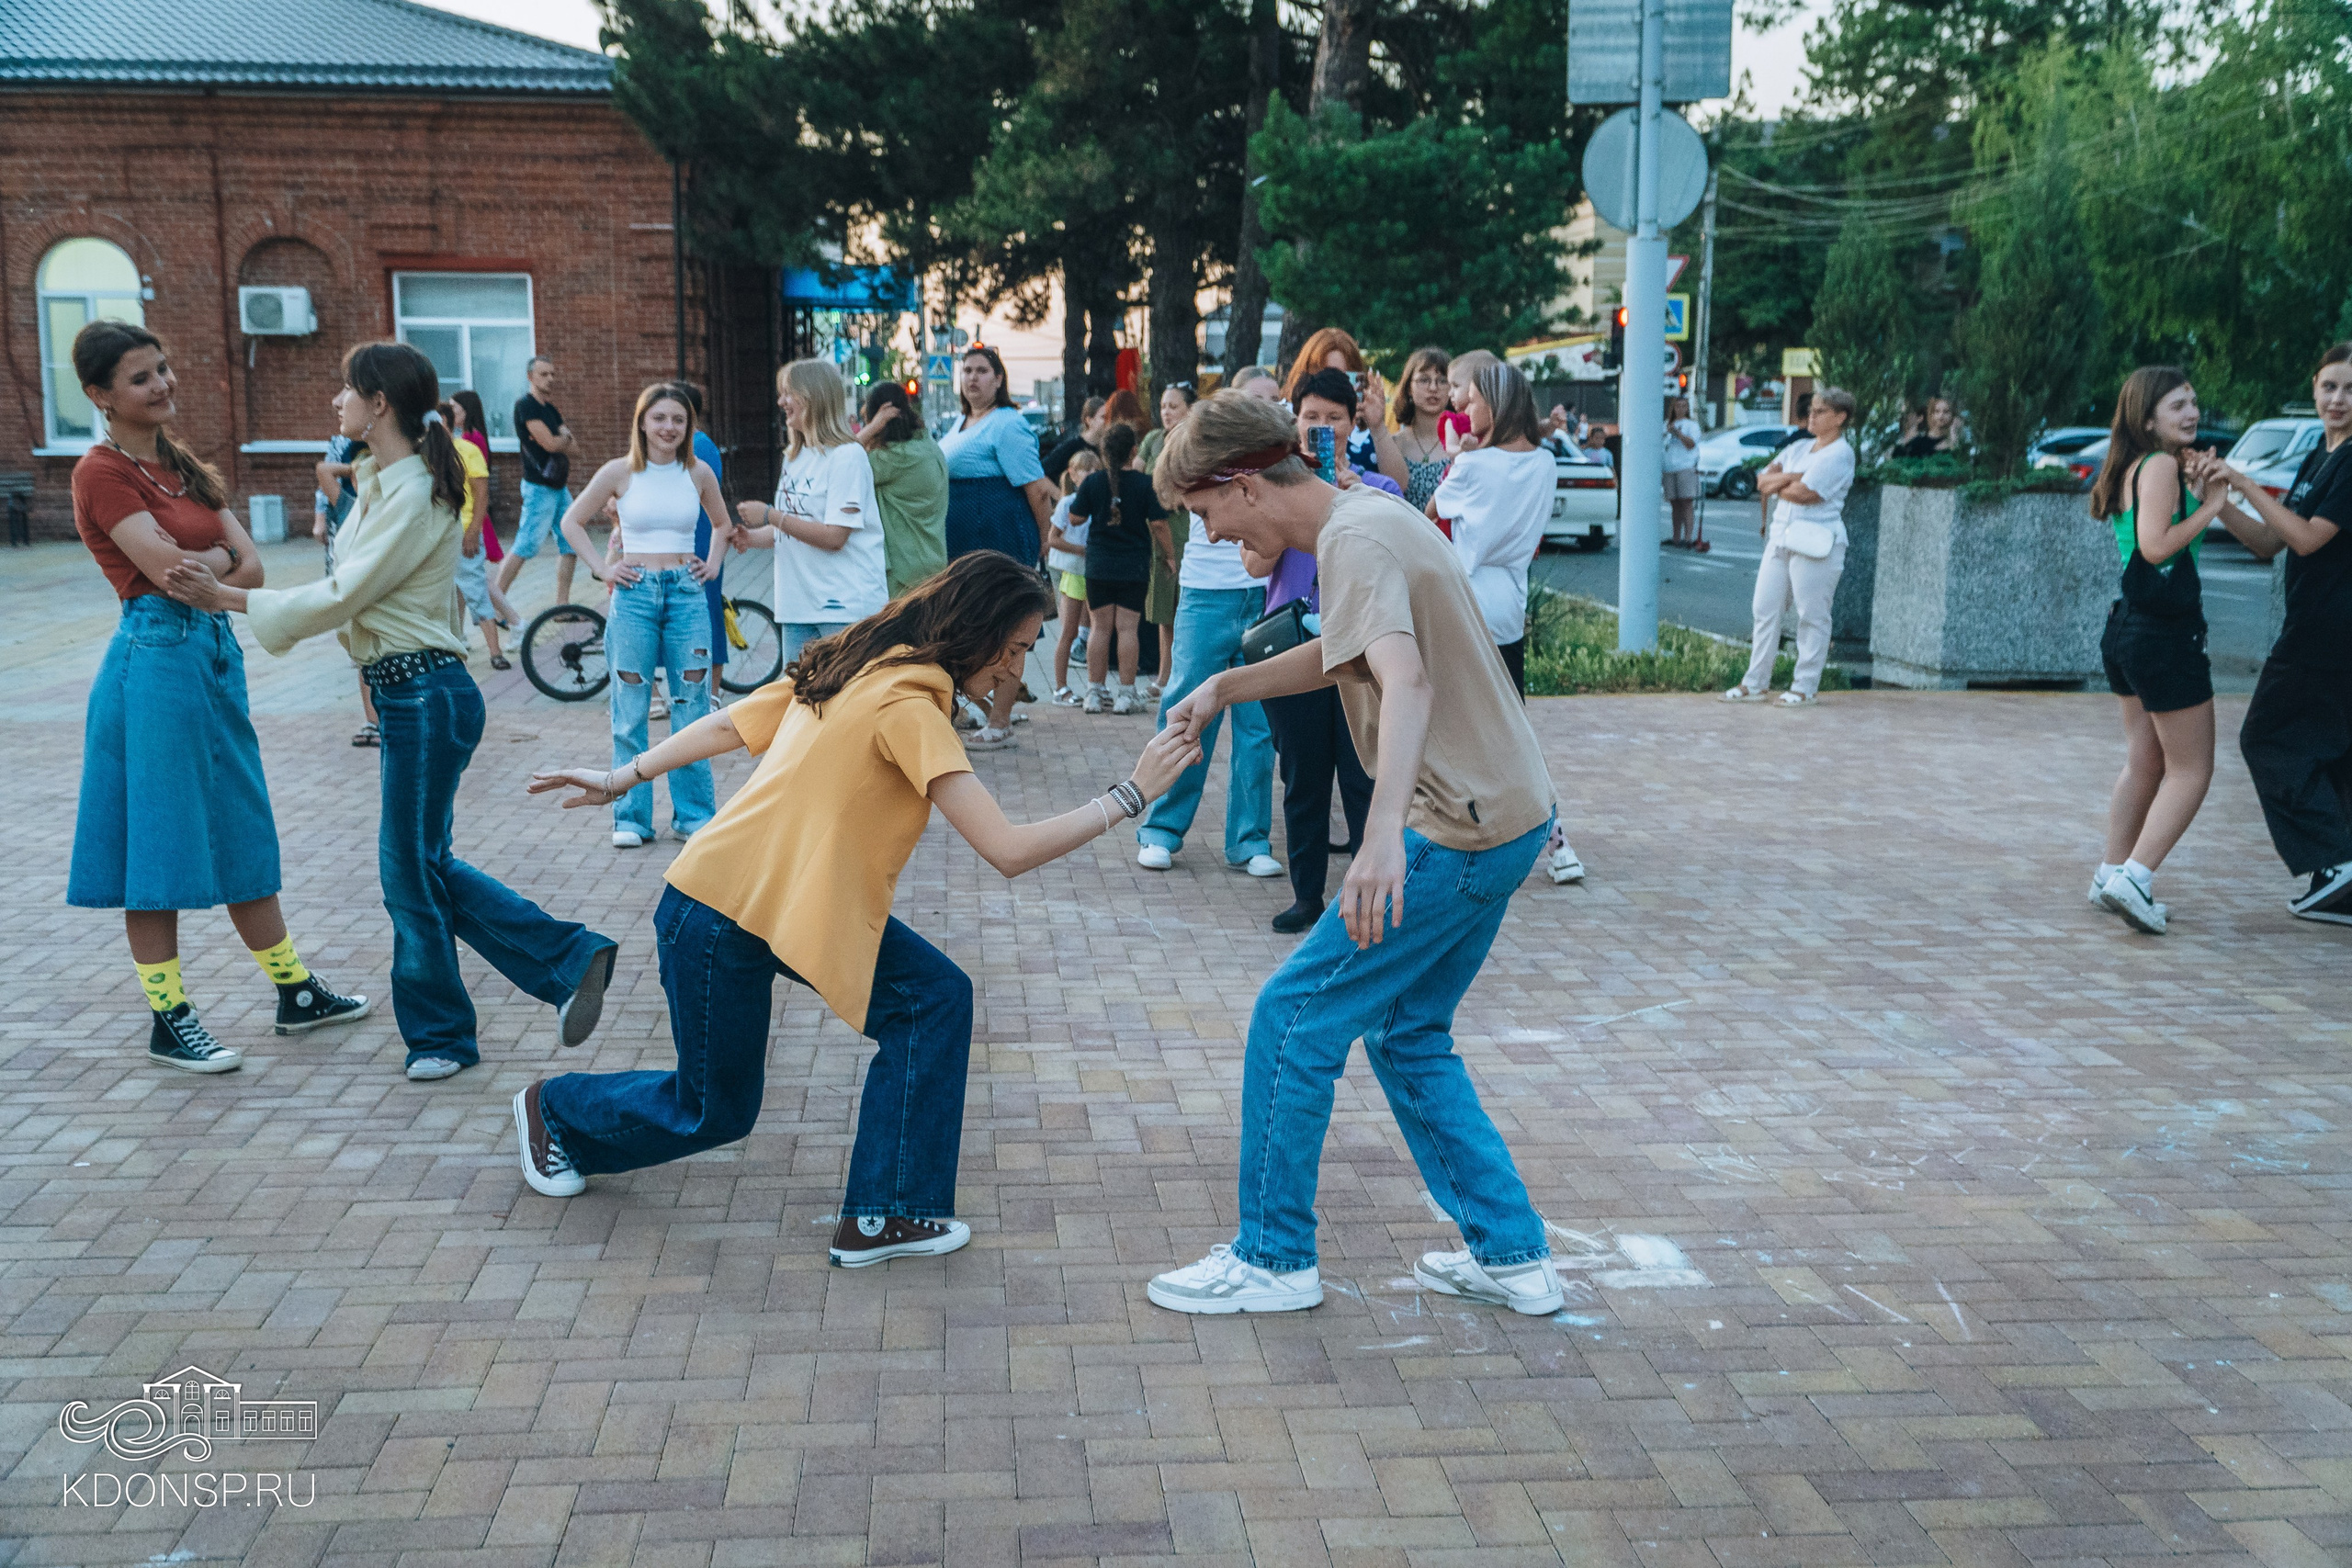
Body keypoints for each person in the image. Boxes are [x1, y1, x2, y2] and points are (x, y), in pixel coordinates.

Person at [514, 555, 1202, 1262]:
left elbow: (728, 725)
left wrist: (619, 775)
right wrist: (1131, 794)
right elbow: (1006, 848)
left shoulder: (862, 659)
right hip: (719, 913)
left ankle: (886, 1213)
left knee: (932, 998)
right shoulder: (908, 701)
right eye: (1017, 648)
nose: (1015, 671)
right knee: (712, 1110)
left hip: (784, 904)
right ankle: (556, 1111)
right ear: (977, 630)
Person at [1144, 390, 1566, 1318]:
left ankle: (1272, 1257)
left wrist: (1378, 840)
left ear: (1246, 486)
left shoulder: (1354, 541)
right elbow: (1352, 656)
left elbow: (1404, 682)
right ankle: (1513, 1257)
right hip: (1507, 813)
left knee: (1291, 1019)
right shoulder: (1366, 520)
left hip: (1449, 827)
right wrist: (1224, 683)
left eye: (1207, 513)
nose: (1209, 534)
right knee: (1406, 1034)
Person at [166, 341, 621, 1082]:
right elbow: (349, 582)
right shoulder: (384, 484)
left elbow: (347, 595)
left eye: (346, 391)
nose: (335, 403)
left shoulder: (412, 495)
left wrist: (229, 598)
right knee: (420, 864)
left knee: (407, 873)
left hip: (424, 694)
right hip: (413, 692)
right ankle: (565, 960)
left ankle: (449, 1029)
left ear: (379, 404)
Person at [67, 320, 369, 1074]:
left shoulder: (182, 465)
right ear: (100, 395)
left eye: (163, 368)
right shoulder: (100, 474)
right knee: (158, 846)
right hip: (153, 664)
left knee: (242, 824)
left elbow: (256, 569)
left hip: (212, 657)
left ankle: (294, 990)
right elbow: (171, 574)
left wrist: (210, 567)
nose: (162, 383)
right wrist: (214, 560)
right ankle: (170, 1017)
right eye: (141, 377)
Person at [2079, 367, 2240, 935]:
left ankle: (2110, 873)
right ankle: (2137, 878)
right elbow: (2155, 549)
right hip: (2164, 637)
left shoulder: (2132, 465)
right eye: (2177, 406)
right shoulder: (2161, 464)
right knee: (2192, 769)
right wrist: (2213, 506)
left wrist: (2196, 502)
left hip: (2126, 629)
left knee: (2145, 759)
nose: (2192, 413)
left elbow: (2155, 542)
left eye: (2194, 402)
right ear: (2147, 418)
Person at [2205, 344, 2352, 925]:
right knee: (2335, 754)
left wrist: (2242, 477)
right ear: (2313, 389)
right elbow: (2272, 542)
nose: (2339, 400)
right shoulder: (2319, 452)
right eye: (2330, 387)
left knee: (2265, 738)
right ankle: (2341, 884)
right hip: (2316, 626)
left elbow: (2311, 538)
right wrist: (2218, 503)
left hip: (2327, 635)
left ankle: (2336, 861)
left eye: (2350, 389)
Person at [557, 382, 732, 850]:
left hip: (686, 594)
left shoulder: (697, 473)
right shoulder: (619, 472)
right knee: (630, 710)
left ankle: (693, 816)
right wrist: (603, 569)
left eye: (678, 419)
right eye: (660, 418)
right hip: (634, 596)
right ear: (642, 422)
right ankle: (632, 818)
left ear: (688, 425)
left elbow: (722, 525)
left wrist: (711, 566)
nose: (669, 427)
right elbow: (571, 521)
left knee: (692, 710)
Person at [1134, 382, 1279, 880]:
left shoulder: (1278, 458)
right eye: (1257, 400)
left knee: (1259, 725)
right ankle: (1161, 830)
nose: (1268, 409)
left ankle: (1249, 839)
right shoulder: (1200, 447)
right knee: (1186, 710)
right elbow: (1164, 489)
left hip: (1262, 594)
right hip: (1206, 593)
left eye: (1273, 400)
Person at [730, 359, 888, 675]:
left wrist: (770, 515)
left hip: (843, 605)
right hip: (797, 604)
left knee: (844, 703)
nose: (781, 402)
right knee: (802, 701)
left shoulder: (847, 456)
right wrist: (752, 538)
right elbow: (793, 528)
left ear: (814, 396)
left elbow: (834, 537)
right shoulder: (795, 456)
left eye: (788, 393)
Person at [938, 345, 1056, 748]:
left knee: (1008, 632)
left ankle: (1001, 721)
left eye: (982, 371)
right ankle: (983, 709)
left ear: (999, 379)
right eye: (967, 370)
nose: (972, 378)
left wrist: (1043, 542)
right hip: (965, 545)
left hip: (1001, 540)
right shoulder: (960, 422)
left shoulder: (1008, 423)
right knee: (969, 630)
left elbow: (1038, 490)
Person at [1723, 387, 1858, 707]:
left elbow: (1805, 494)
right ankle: (1755, 682)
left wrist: (1785, 482)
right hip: (1781, 537)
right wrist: (1794, 477)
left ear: (1840, 417)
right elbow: (1762, 481)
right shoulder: (1799, 448)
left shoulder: (1841, 453)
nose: (1811, 416)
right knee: (1764, 609)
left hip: (1816, 540)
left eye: (1820, 411)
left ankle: (1805, 686)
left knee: (1811, 614)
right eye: (1811, 410)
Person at [1070, 423, 1167, 714]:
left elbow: (1075, 518)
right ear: (1134, 452)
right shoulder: (1144, 484)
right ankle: (1126, 693)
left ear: (1103, 453)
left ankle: (1094, 692)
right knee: (1128, 629)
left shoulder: (1092, 483)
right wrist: (1170, 556)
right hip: (1133, 565)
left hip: (1098, 564)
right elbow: (1159, 524)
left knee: (1099, 629)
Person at [498, 355, 590, 604]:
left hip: (558, 487)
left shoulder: (550, 410)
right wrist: (561, 440)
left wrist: (559, 442)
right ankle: (496, 604)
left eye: (552, 374)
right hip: (539, 487)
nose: (550, 379)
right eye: (543, 374)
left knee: (571, 542)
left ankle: (562, 606)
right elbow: (550, 443)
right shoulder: (525, 406)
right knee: (526, 545)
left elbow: (576, 449)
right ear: (530, 377)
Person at [313, 427, 381, 745]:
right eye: (360, 471)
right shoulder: (347, 503)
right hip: (357, 597)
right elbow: (324, 470)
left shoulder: (391, 506)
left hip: (383, 594)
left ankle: (386, 718)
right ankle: (373, 720)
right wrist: (355, 467)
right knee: (364, 658)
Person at [857, 380, 951, 596]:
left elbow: (839, 465)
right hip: (933, 562)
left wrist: (870, 429)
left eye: (867, 416)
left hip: (903, 573)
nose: (863, 417)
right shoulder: (929, 447)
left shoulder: (892, 460)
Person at [444, 396, 511, 671]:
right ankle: (453, 646)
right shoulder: (424, 455)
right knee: (448, 594)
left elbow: (481, 495)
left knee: (475, 589)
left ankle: (495, 652)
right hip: (437, 535)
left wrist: (472, 532)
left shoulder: (467, 450)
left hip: (463, 533)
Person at [1141, 383, 1198, 694]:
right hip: (1156, 535)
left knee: (1184, 609)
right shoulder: (1153, 440)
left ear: (1189, 409)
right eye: (1163, 406)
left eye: (1173, 406)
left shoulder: (1194, 442)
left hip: (1184, 534)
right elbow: (1139, 480)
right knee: (1164, 612)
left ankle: (1180, 676)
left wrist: (1161, 496)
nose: (1166, 412)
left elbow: (1182, 494)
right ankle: (1165, 675)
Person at [674, 382, 729, 698]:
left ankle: (711, 691)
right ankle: (708, 691)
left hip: (700, 538)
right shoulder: (701, 444)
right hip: (698, 536)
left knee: (707, 613)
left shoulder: (699, 446)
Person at [1046, 447, 1102, 704]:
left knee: (1093, 631)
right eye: (1085, 470)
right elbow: (1052, 539)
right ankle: (1060, 686)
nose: (1090, 474)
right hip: (1074, 573)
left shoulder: (1100, 500)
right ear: (1073, 474)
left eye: (1095, 470)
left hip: (1095, 574)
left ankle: (1094, 685)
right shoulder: (1068, 503)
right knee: (1068, 630)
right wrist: (1081, 550)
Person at [1387, 347, 1455, 511]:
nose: (1433, 388)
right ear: (1409, 388)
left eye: (1442, 380)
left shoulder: (1463, 443)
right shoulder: (1393, 444)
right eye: (1424, 380)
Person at [1662, 395, 1703, 547]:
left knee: (1686, 501)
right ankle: (1676, 537)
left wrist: (1678, 434)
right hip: (1669, 466)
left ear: (1687, 408)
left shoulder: (1691, 425)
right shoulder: (1666, 424)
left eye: (1683, 406)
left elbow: (1691, 444)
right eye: (1677, 406)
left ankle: (1688, 537)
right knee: (1674, 503)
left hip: (1685, 466)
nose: (1680, 409)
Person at [1043, 395, 1107, 486]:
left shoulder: (1109, 448)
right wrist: (1061, 496)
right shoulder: (1071, 447)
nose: (1108, 421)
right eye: (1103, 417)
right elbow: (1042, 473)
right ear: (1089, 420)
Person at [1891, 395, 1963, 458]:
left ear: (1953, 416)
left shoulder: (1958, 441)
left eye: (1946, 412)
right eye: (1937, 411)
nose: (1941, 415)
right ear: (1931, 415)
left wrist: (1954, 434)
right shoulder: (1918, 442)